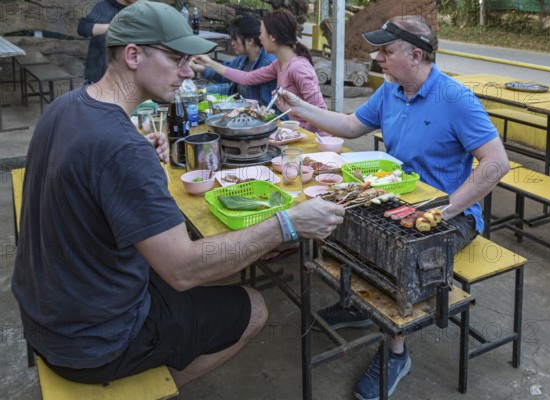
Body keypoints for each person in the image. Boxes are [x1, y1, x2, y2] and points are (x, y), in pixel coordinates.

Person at [11, 1, 344, 387]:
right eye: (176, 60)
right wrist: (288, 224)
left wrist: (135, 154)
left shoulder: (66, 106)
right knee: (252, 306)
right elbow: (183, 270)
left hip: (45, 316)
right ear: (133, 55)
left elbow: (92, 171)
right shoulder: (121, 147)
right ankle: (148, 386)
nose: (187, 73)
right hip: (92, 342)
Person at [276, 16, 510, 400]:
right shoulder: (391, 91)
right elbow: (351, 126)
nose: (377, 57)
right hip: (397, 197)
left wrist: (444, 211)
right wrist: (300, 105)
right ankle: (356, 304)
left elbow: (496, 163)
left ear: (415, 54)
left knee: (401, 253)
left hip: (451, 214)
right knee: (336, 218)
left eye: (386, 51)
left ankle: (396, 351)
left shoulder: (456, 99)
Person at [194, 8, 329, 134]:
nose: (259, 37)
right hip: (294, 133)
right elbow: (247, 78)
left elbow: (320, 111)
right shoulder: (278, 64)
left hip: (312, 139)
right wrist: (210, 63)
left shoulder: (298, 67)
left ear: (273, 37)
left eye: (261, 32)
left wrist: (304, 133)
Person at [191, 15, 277, 107]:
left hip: (254, 115)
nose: (232, 43)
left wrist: (209, 63)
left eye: (235, 39)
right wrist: (199, 68)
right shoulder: (243, 59)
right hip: (240, 108)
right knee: (196, 92)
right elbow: (225, 74)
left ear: (249, 41)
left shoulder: (267, 63)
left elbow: (267, 107)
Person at [77, 0, 137, 83]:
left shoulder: (140, 9)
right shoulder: (104, 7)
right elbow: (83, 28)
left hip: (129, 75)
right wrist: (112, 27)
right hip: (99, 75)